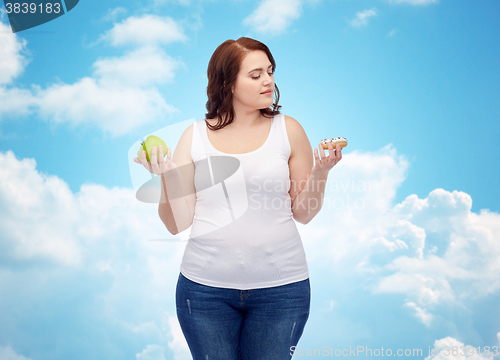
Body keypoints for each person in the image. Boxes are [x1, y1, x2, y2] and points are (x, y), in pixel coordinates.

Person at [134, 37, 342, 360]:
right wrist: (166, 176)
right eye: (256, 74)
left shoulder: (289, 131)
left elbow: (303, 212)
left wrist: (323, 171)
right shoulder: (194, 137)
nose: (268, 81)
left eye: (270, 71)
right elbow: (177, 223)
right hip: (203, 294)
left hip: (282, 292)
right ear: (228, 83)